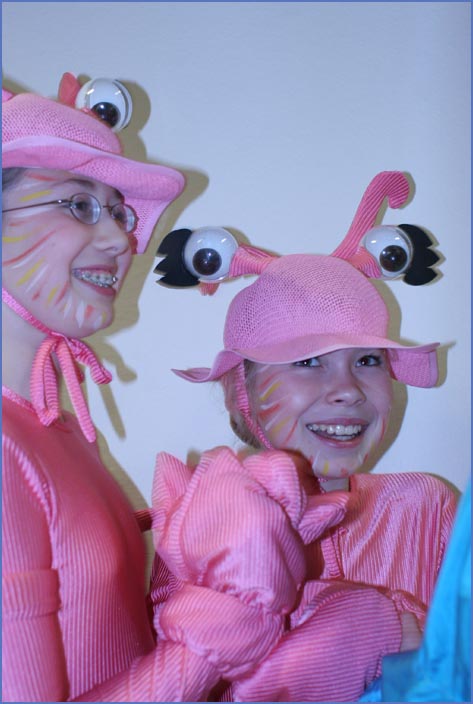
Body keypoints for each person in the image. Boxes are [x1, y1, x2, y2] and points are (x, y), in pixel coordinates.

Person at [1, 72, 321, 702]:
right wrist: (222, 616)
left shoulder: (55, 430)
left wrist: (190, 552)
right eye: (79, 204)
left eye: (119, 212)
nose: (123, 240)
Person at [153, 170, 458, 701]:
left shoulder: (426, 509)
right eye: (308, 361)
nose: (347, 390)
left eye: (368, 360)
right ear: (241, 391)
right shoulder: (198, 528)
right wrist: (372, 630)